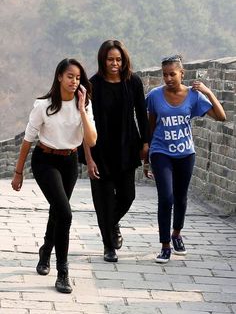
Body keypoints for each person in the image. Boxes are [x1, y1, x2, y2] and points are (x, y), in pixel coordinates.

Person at [11, 58, 97, 293]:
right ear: (59, 76)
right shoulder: (44, 105)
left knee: (58, 210)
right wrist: (18, 173)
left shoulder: (85, 104)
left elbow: (91, 140)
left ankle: (46, 249)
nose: (74, 81)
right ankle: (63, 273)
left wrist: (81, 110)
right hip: (45, 161)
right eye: (70, 76)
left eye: (78, 78)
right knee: (65, 213)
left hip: (70, 162)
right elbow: (28, 139)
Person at [145, 54, 226, 263]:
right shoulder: (154, 96)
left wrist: (207, 91)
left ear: (183, 73)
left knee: (181, 197)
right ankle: (165, 246)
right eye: (165, 75)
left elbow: (221, 116)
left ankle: (177, 234)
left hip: (185, 154)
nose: (168, 78)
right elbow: (150, 126)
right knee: (166, 198)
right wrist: (146, 157)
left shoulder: (194, 96)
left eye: (172, 74)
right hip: (161, 151)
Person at [82, 40, 149, 262]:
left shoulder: (133, 82)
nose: (114, 63)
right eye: (110, 59)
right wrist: (89, 158)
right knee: (104, 201)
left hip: (127, 148)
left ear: (124, 60)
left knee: (128, 195)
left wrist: (145, 142)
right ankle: (108, 247)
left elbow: (141, 113)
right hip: (99, 150)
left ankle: (111, 224)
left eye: (118, 59)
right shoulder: (92, 85)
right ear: (103, 60)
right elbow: (85, 124)